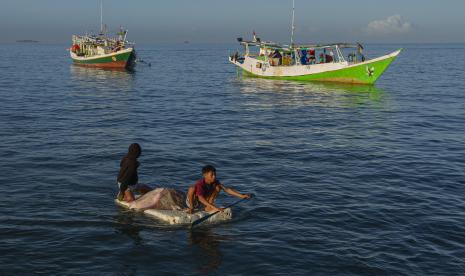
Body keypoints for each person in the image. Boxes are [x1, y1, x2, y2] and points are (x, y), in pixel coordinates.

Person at [186, 165, 251, 214]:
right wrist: (215, 208)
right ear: (205, 175)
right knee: (192, 188)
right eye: (212, 175)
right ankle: (191, 208)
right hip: (195, 202)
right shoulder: (200, 184)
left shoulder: (215, 182)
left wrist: (241, 196)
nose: (214, 176)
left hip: (205, 202)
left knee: (218, 187)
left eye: (215, 174)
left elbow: (227, 190)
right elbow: (200, 198)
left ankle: (208, 208)